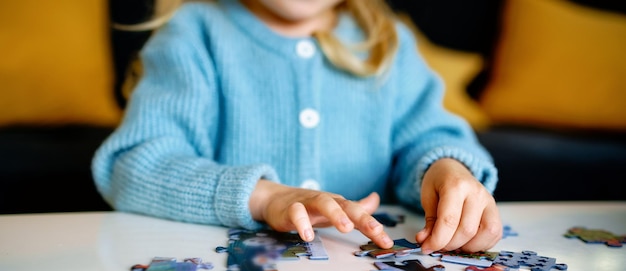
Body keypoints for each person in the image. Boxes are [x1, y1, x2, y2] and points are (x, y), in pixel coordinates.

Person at [92, 0, 502, 254]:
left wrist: (447, 168)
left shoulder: (388, 40)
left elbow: (427, 138)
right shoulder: (192, 33)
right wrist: (265, 197)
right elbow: (133, 166)